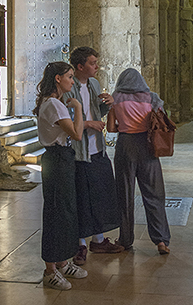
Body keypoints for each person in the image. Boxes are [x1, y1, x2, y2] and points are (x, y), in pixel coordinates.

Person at [63, 47, 123, 265]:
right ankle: (80, 244)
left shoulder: (95, 84)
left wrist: (106, 105)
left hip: (97, 149)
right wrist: (88, 124)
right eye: (92, 63)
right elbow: (66, 120)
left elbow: (96, 112)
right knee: (81, 199)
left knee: (101, 195)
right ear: (80, 66)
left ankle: (98, 239)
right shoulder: (68, 87)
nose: (97, 66)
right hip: (79, 152)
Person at [33, 61, 88, 290]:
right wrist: (78, 108)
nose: (72, 81)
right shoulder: (54, 104)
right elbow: (76, 133)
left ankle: (63, 263)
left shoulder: (55, 103)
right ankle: (50, 270)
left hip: (62, 159)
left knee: (66, 211)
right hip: (56, 159)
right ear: (58, 78)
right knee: (56, 213)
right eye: (69, 77)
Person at [107, 68, 171, 255]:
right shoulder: (151, 98)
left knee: (124, 194)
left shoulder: (116, 98)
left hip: (125, 146)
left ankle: (125, 240)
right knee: (154, 194)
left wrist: (125, 126)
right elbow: (160, 120)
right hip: (148, 147)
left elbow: (111, 128)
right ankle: (161, 240)